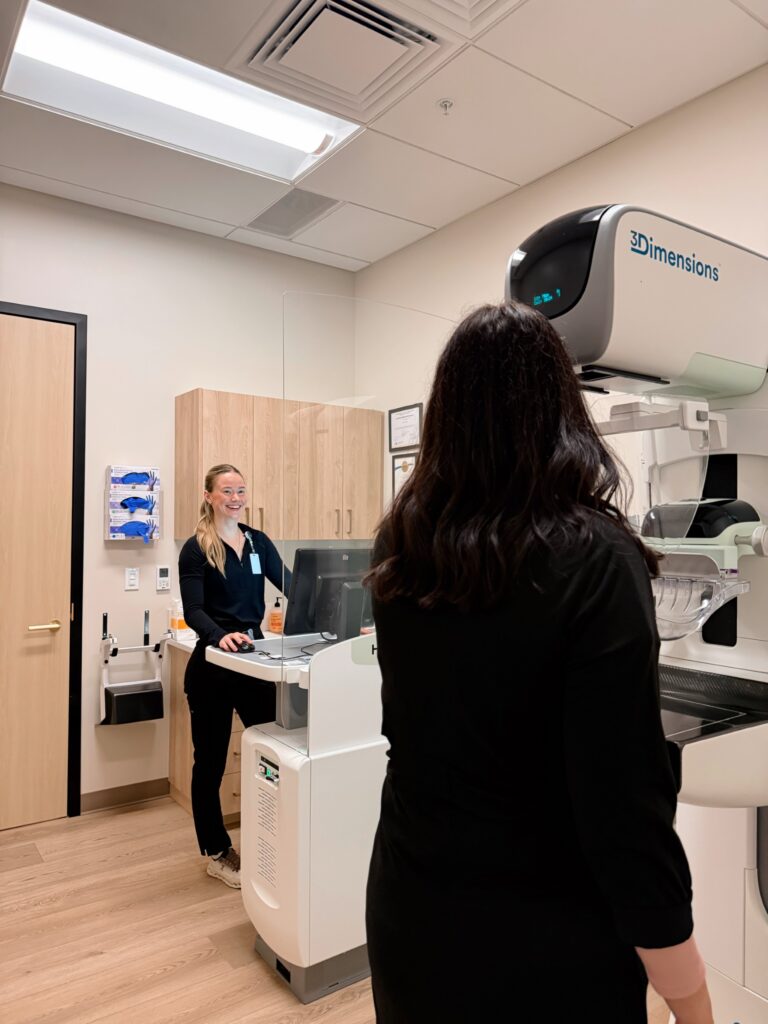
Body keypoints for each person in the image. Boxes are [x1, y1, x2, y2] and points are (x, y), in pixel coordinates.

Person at [364, 302, 714, 1024]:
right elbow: (622, 808)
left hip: (412, 903)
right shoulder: (595, 557)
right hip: (545, 937)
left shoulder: (402, 545)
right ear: (560, 409)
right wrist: (690, 997)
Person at [179, 463, 291, 888]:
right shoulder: (197, 547)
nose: (236, 497)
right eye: (227, 490)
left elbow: (291, 584)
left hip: (253, 661)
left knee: (271, 751)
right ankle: (217, 851)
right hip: (213, 666)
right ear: (209, 495)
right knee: (209, 761)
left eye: (241, 489)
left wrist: (330, 611)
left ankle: (273, 836)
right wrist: (219, 636)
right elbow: (194, 610)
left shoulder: (258, 541)